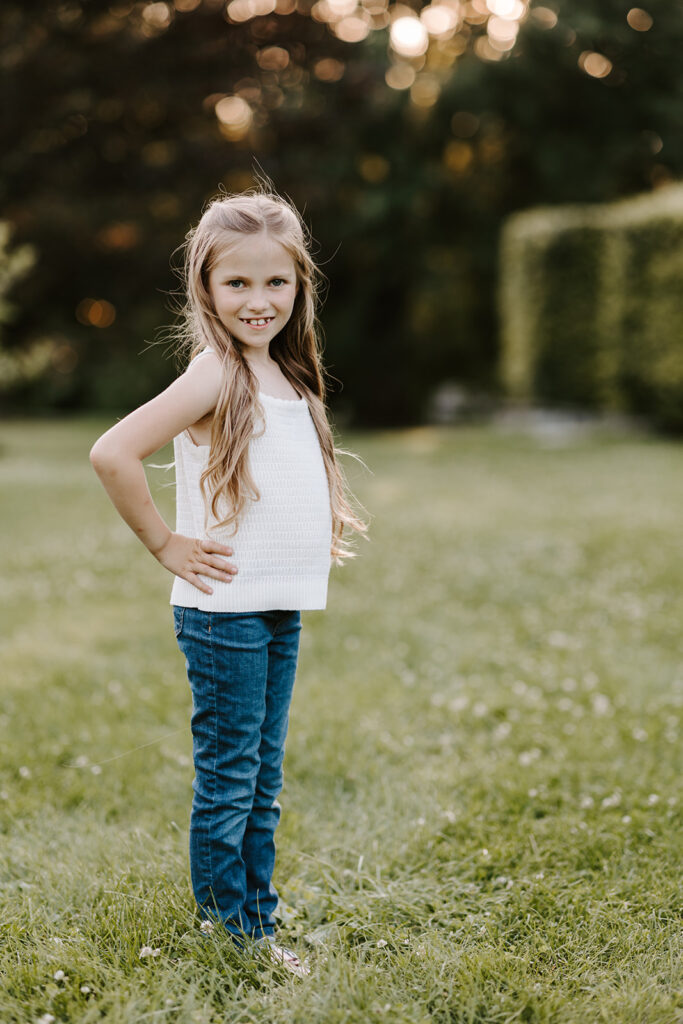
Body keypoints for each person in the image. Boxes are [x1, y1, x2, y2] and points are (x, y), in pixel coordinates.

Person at [89, 186, 369, 977]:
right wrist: (165, 544)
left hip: (275, 606)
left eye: (275, 282)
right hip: (224, 614)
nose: (258, 300)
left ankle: (256, 921)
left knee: (263, 777)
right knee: (231, 779)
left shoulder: (287, 372)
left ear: (299, 285)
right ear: (205, 287)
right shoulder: (216, 372)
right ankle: (230, 938)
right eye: (236, 283)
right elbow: (113, 452)